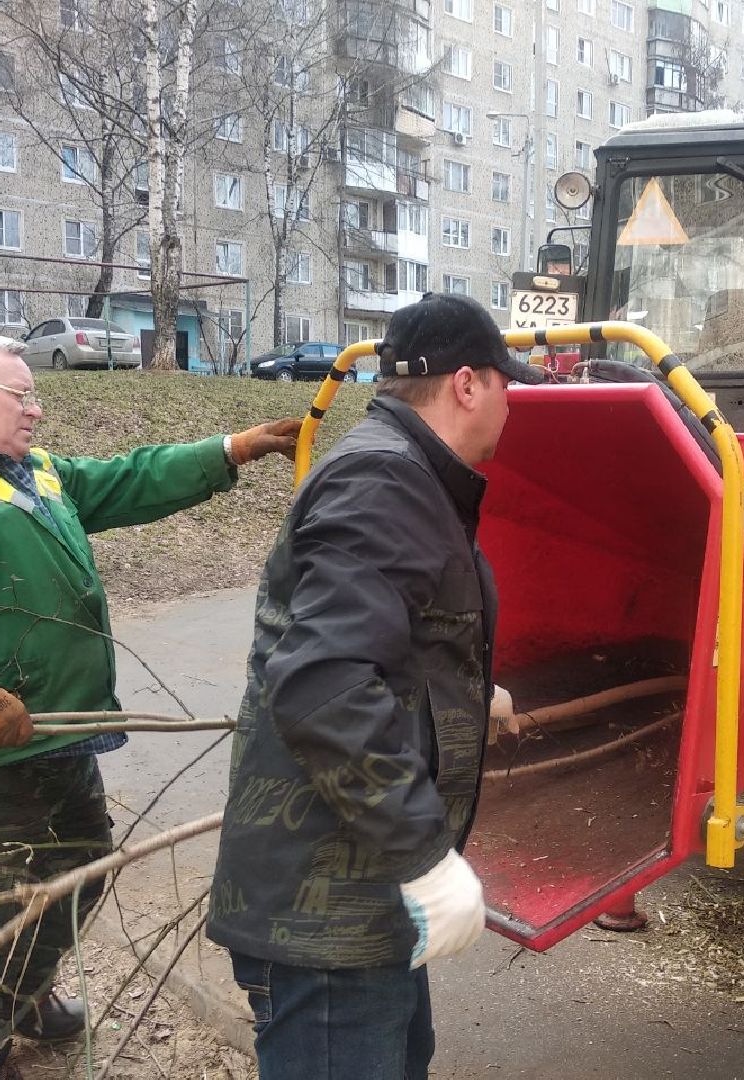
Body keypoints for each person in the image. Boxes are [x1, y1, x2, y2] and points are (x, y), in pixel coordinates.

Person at [0, 333, 299, 1080]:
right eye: (23, 395)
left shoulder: (34, 474)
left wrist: (228, 450)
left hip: (58, 735)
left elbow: (123, 481)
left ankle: (23, 996)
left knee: (77, 872)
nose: (37, 409)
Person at [207, 293, 544, 1079]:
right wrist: (426, 855)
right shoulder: (386, 484)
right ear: (466, 384)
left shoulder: (407, 473)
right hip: (327, 918)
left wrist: (466, 697)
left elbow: (385, 641)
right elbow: (324, 682)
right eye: (506, 384)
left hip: (360, 904)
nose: (510, 403)